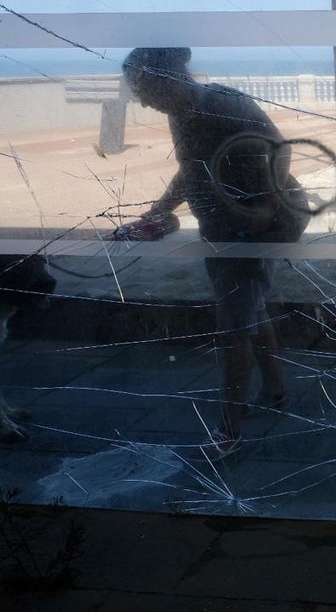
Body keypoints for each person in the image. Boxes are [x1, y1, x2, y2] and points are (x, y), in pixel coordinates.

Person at [120, 47, 307, 459]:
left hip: (260, 223)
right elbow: (191, 170)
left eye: (145, 90)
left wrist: (263, 208)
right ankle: (276, 392)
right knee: (247, 307)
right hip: (226, 224)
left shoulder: (223, 102)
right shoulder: (180, 113)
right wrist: (156, 213)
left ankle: (228, 429)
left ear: (167, 78)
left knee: (233, 327)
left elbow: (279, 150)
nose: (144, 101)